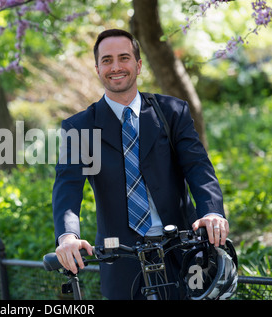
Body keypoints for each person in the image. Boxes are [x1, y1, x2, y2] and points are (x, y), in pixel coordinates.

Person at [52, 29, 229, 300]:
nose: (116, 67)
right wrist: (67, 236)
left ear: (138, 64)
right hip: (120, 258)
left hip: (184, 252)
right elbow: (68, 186)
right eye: (107, 60)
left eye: (124, 57)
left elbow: (198, 168)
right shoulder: (79, 127)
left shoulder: (171, 111)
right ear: (97, 68)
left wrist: (213, 212)